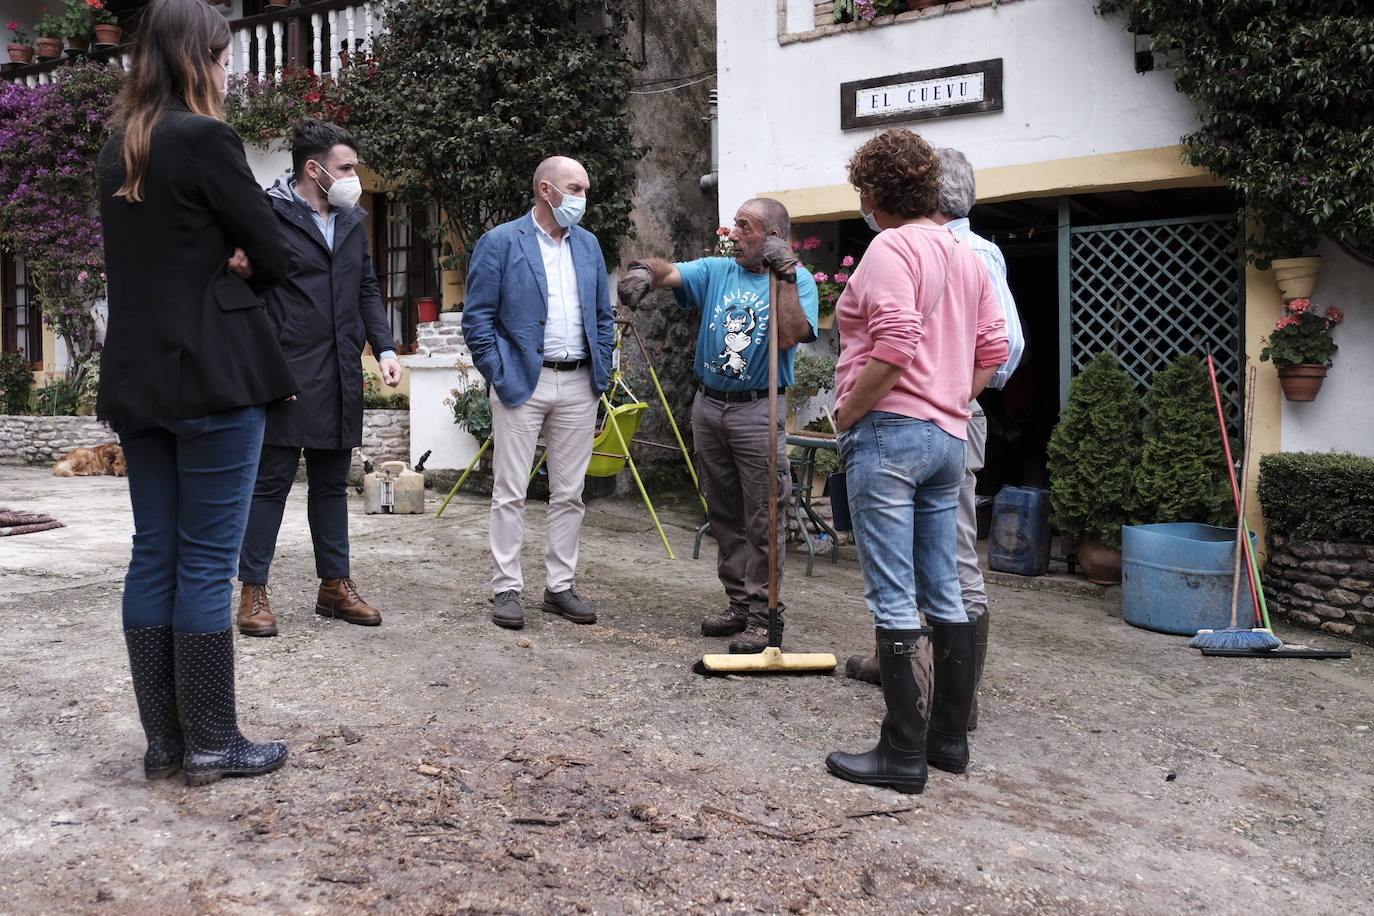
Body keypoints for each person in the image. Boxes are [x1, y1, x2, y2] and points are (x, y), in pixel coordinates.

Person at [97, 0, 295, 786]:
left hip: (139, 379)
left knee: (156, 552)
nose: (227, 67)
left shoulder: (119, 146)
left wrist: (234, 250)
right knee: (209, 563)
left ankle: (165, 744)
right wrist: (244, 256)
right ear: (196, 59)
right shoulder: (206, 137)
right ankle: (212, 739)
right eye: (222, 53)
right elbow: (276, 249)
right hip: (213, 377)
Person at [823, 129, 1008, 795]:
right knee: (946, 589)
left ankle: (901, 753)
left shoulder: (889, 247)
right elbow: (993, 349)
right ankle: (947, 742)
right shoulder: (965, 256)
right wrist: (950, 397)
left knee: (893, 591)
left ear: (875, 193)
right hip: (948, 437)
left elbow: (895, 342)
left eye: (863, 193)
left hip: (889, 435)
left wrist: (848, 412)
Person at [618, 199, 819, 654]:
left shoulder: (795, 280)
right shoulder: (716, 270)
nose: (732, 234)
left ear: (771, 236)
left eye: (744, 227)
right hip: (709, 406)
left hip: (757, 409)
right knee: (723, 512)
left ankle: (766, 615)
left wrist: (784, 276)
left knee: (764, 512)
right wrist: (645, 272)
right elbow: (670, 271)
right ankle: (738, 604)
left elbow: (790, 336)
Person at [235, 120, 402, 637]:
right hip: (285, 368)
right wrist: (262, 364)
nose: (354, 177)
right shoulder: (267, 215)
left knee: (331, 485)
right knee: (270, 485)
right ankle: (253, 591)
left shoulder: (352, 219)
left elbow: (366, 287)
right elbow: (246, 292)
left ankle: (334, 586)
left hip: (340, 369)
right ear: (314, 169)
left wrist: (386, 346)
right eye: (347, 167)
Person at [460, 156, 615, 630]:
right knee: (510, 491)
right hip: (522, 382)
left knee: (571, 493)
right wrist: (499, 372)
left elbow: (603, 316)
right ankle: (506, 588)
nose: (582, 198)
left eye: (586, 189)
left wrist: (602, 373)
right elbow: (477, 319)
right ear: (546, 190)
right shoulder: (502, 242)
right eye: (575, 188)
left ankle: (560, 587)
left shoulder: (588, 245)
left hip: (578, 382)